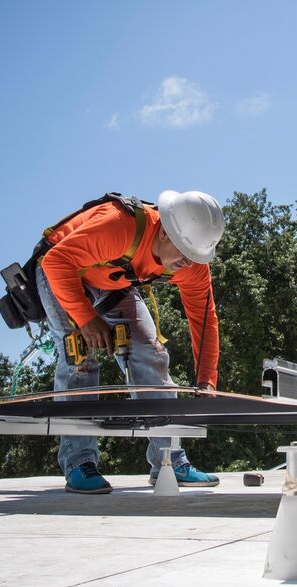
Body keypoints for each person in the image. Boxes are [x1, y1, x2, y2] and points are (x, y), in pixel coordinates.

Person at [35, 190, 225, 494]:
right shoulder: (118, 226)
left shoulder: (192, 266)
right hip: (61, 270)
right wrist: (86, 319)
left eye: (195, 257)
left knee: (151, 354)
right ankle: (79, 462)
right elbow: (57, 262)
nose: (188, 265)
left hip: (113, 282)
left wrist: (206, 380)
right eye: (184, 255)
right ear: (164, 231)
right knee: (79, 356)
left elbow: (205, 321)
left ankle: (169, 461)